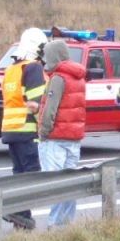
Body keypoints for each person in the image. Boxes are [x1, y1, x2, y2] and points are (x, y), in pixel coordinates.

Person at [0, 27, 48, 229]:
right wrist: (45, 128)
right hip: (27, 130)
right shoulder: (33, 68)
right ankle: (17, 211)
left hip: (11, 130)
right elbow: (36, 104)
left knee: (19, 174)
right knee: (33, 174)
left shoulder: (11, 69)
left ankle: (22, 220)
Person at [37, 38, 87, 227]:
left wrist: (43, 132)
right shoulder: (78, 76)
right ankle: (66, 226)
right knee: (70, 185)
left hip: (55, 138)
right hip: (73, 138)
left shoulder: (58, 78)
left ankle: (54, 225)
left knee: (55, 185)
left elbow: (50, 109)